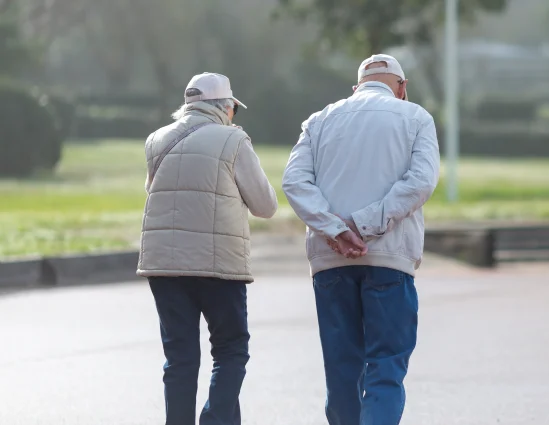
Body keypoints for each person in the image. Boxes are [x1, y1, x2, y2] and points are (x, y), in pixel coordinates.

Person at [282, 54, 440, 425]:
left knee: (341, 367)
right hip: (389, 256)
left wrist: (336, 229)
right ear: (401, 87)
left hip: (330, 260)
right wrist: (364, 224)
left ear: (356, 88)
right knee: (385, 365)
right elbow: (420, 182)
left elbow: (295, 182)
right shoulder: (416, 117)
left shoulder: (319, 121)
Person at [138, 72, 278, 425]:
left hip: (164, 265)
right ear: (224, 106)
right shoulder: (234, 140)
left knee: (179, 357)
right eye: (234, 108)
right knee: (231, 350)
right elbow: (266, 206)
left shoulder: (156, 140)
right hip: (219, 265)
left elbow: (154, 190)